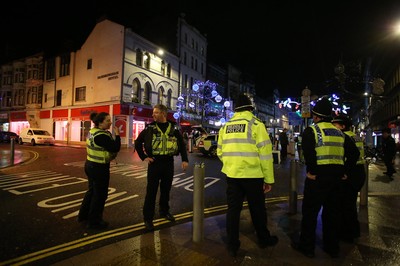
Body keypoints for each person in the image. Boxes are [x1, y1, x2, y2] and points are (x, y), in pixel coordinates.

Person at [291, 98, 359, 258]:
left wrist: (312, 171)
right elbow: (354, 154)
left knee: (310, 214)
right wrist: (345, 171)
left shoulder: (312, 131)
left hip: (317, 179)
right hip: (336, 180)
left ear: (315, 116)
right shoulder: (340, 133)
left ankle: (307, 247)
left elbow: (308, 153)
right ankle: (332, 247)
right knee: (332, 214)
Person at [217, 94, 278, 257]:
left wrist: (231, 164)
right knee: (257, 209)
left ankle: (232, 245)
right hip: (253, 175)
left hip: (232, 175)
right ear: (250, 109)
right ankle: (264, 240)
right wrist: (268, 179)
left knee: (233, 210)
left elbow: (220, 151)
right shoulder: (256, 124)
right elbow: (265, 155)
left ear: (235, 109)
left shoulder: (226, 126)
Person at [135, 104, 189, 231]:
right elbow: (138, 142)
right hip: (154, 163)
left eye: (156, 112)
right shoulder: (150, 128)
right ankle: (148, 218)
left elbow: (181, 144)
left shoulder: (174, 127)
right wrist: (144, 157)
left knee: (166, 190)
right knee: (151, 192)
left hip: (168, 163)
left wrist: (184, 159)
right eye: (153, 112)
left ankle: (164, 212)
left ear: (163, 114)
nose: (153, 115)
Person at [78, 112, 121, 229]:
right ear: (100, 122)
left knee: (91, 191)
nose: (110, 122)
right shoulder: (101, 136)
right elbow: (115, 147)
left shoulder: (93, 132)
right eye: (108, 120)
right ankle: (94, 221)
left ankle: (83, 215)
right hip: (99, 168)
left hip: (90, 164)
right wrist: (117, 135)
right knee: (100, 195)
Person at [332, 114, 366, 243]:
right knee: (349, 205)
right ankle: (353, 231)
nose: (333, 127)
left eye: (335, 125)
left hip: (351, 173)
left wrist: (345, 171)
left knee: (346, 205)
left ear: (343, 126)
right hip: (358, 171)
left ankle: (348, 234)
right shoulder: (355, 136)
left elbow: (352, 155)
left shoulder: (345, 136)